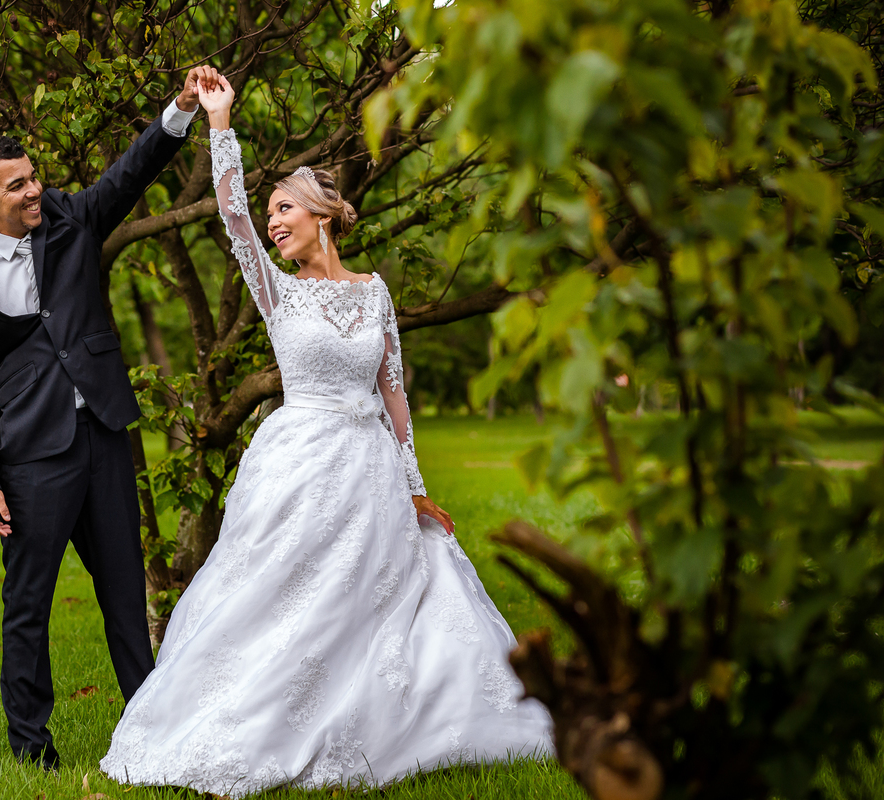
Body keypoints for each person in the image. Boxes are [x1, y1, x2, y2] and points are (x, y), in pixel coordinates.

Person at [99, 74, 552, 796]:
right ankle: (254, 718)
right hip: (299, 463)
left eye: (286, 210)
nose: (274, 223)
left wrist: (416, 491)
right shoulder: (277, 291)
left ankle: (384, 722)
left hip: (368, 464)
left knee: (375, 599)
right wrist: (220, 123)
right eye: (272, 212)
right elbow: (231, 214)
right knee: (280, 594)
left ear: (324, 215)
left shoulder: (375, 292)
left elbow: (394, 393)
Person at [0, 66, 222, 771]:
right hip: (31, 458)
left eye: (33, 177)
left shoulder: (69, 218)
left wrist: (178, 110)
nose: (33, 191)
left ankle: (151, 736)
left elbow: (129, 174)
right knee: (27, 606)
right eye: (16, 185)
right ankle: (32, 748)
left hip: (105, 437)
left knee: (125, 594)